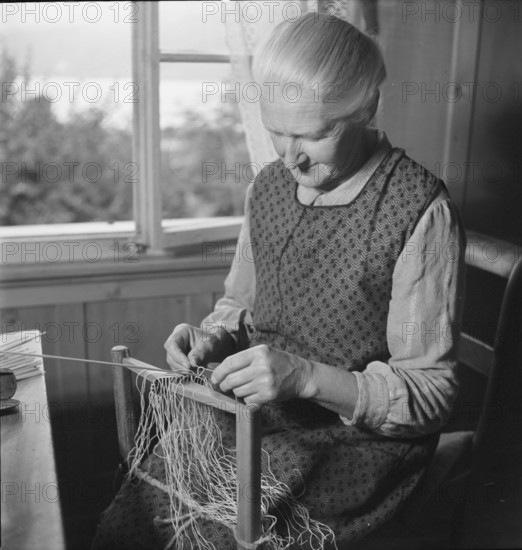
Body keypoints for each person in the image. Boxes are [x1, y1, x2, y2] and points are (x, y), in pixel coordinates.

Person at [92, 11, 466, 550]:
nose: (289, 157)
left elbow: (431, 395)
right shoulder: (267, 188)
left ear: (366, 108)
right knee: (138, 509)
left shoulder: (417, 210)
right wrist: (213, 339)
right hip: (265, 419)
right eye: (275, 133)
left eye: (314, 135)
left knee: (217, 533)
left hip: (356, 442)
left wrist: (306, 378)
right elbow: (239, 305)